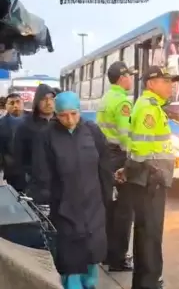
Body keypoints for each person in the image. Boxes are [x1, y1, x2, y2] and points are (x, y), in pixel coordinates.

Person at [32, 91, 113, 289]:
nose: (69, 120)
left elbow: (104, 166)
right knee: (71, 265)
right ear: (56, 115)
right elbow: (42, 174)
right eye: (63, 115)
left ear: (80, 111)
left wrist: (107, 196)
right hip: (65, 210)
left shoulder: (92, 132)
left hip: (93, 207)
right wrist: (46, 202)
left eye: (74, 114)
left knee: (92, 259)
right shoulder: (46, 137)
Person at [115, 66, 179, 289]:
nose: (170, 85)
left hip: (147, 177)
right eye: (166, 81)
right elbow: (141, 150)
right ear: (151, 84)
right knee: (150, 234)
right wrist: (134, 170)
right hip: (150, 179)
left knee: (146, 231)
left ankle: (145, 282)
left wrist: (127, 169)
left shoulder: (151, 106)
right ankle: (149, 283)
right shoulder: (149, 108)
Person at [96, 61, 135, 271]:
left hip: (105, 156)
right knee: (124, 209)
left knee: (109, 208)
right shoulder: (122, 102)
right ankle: (118, 259)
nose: (132, 79)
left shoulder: (105, 98)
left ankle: (106, 254)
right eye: (130, 75)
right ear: (122, 78)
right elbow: (125, 136)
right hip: (119, 156)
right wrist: (132, 161)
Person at [14, 84, 56, 190]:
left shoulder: (60, 123)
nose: (48, 102)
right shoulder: (26, 126)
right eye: (44, 99)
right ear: (37, 102)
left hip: (58, 182)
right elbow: (19, 157)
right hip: (35, 183)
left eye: (51, 98)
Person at [0, 93, 27, 190]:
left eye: (18, 102)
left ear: (23, 103)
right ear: (6, 106)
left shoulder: (33, 120)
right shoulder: (1, 124)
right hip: (13, 172)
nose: (15, 105)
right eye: (11, 103)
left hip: (34, 170)